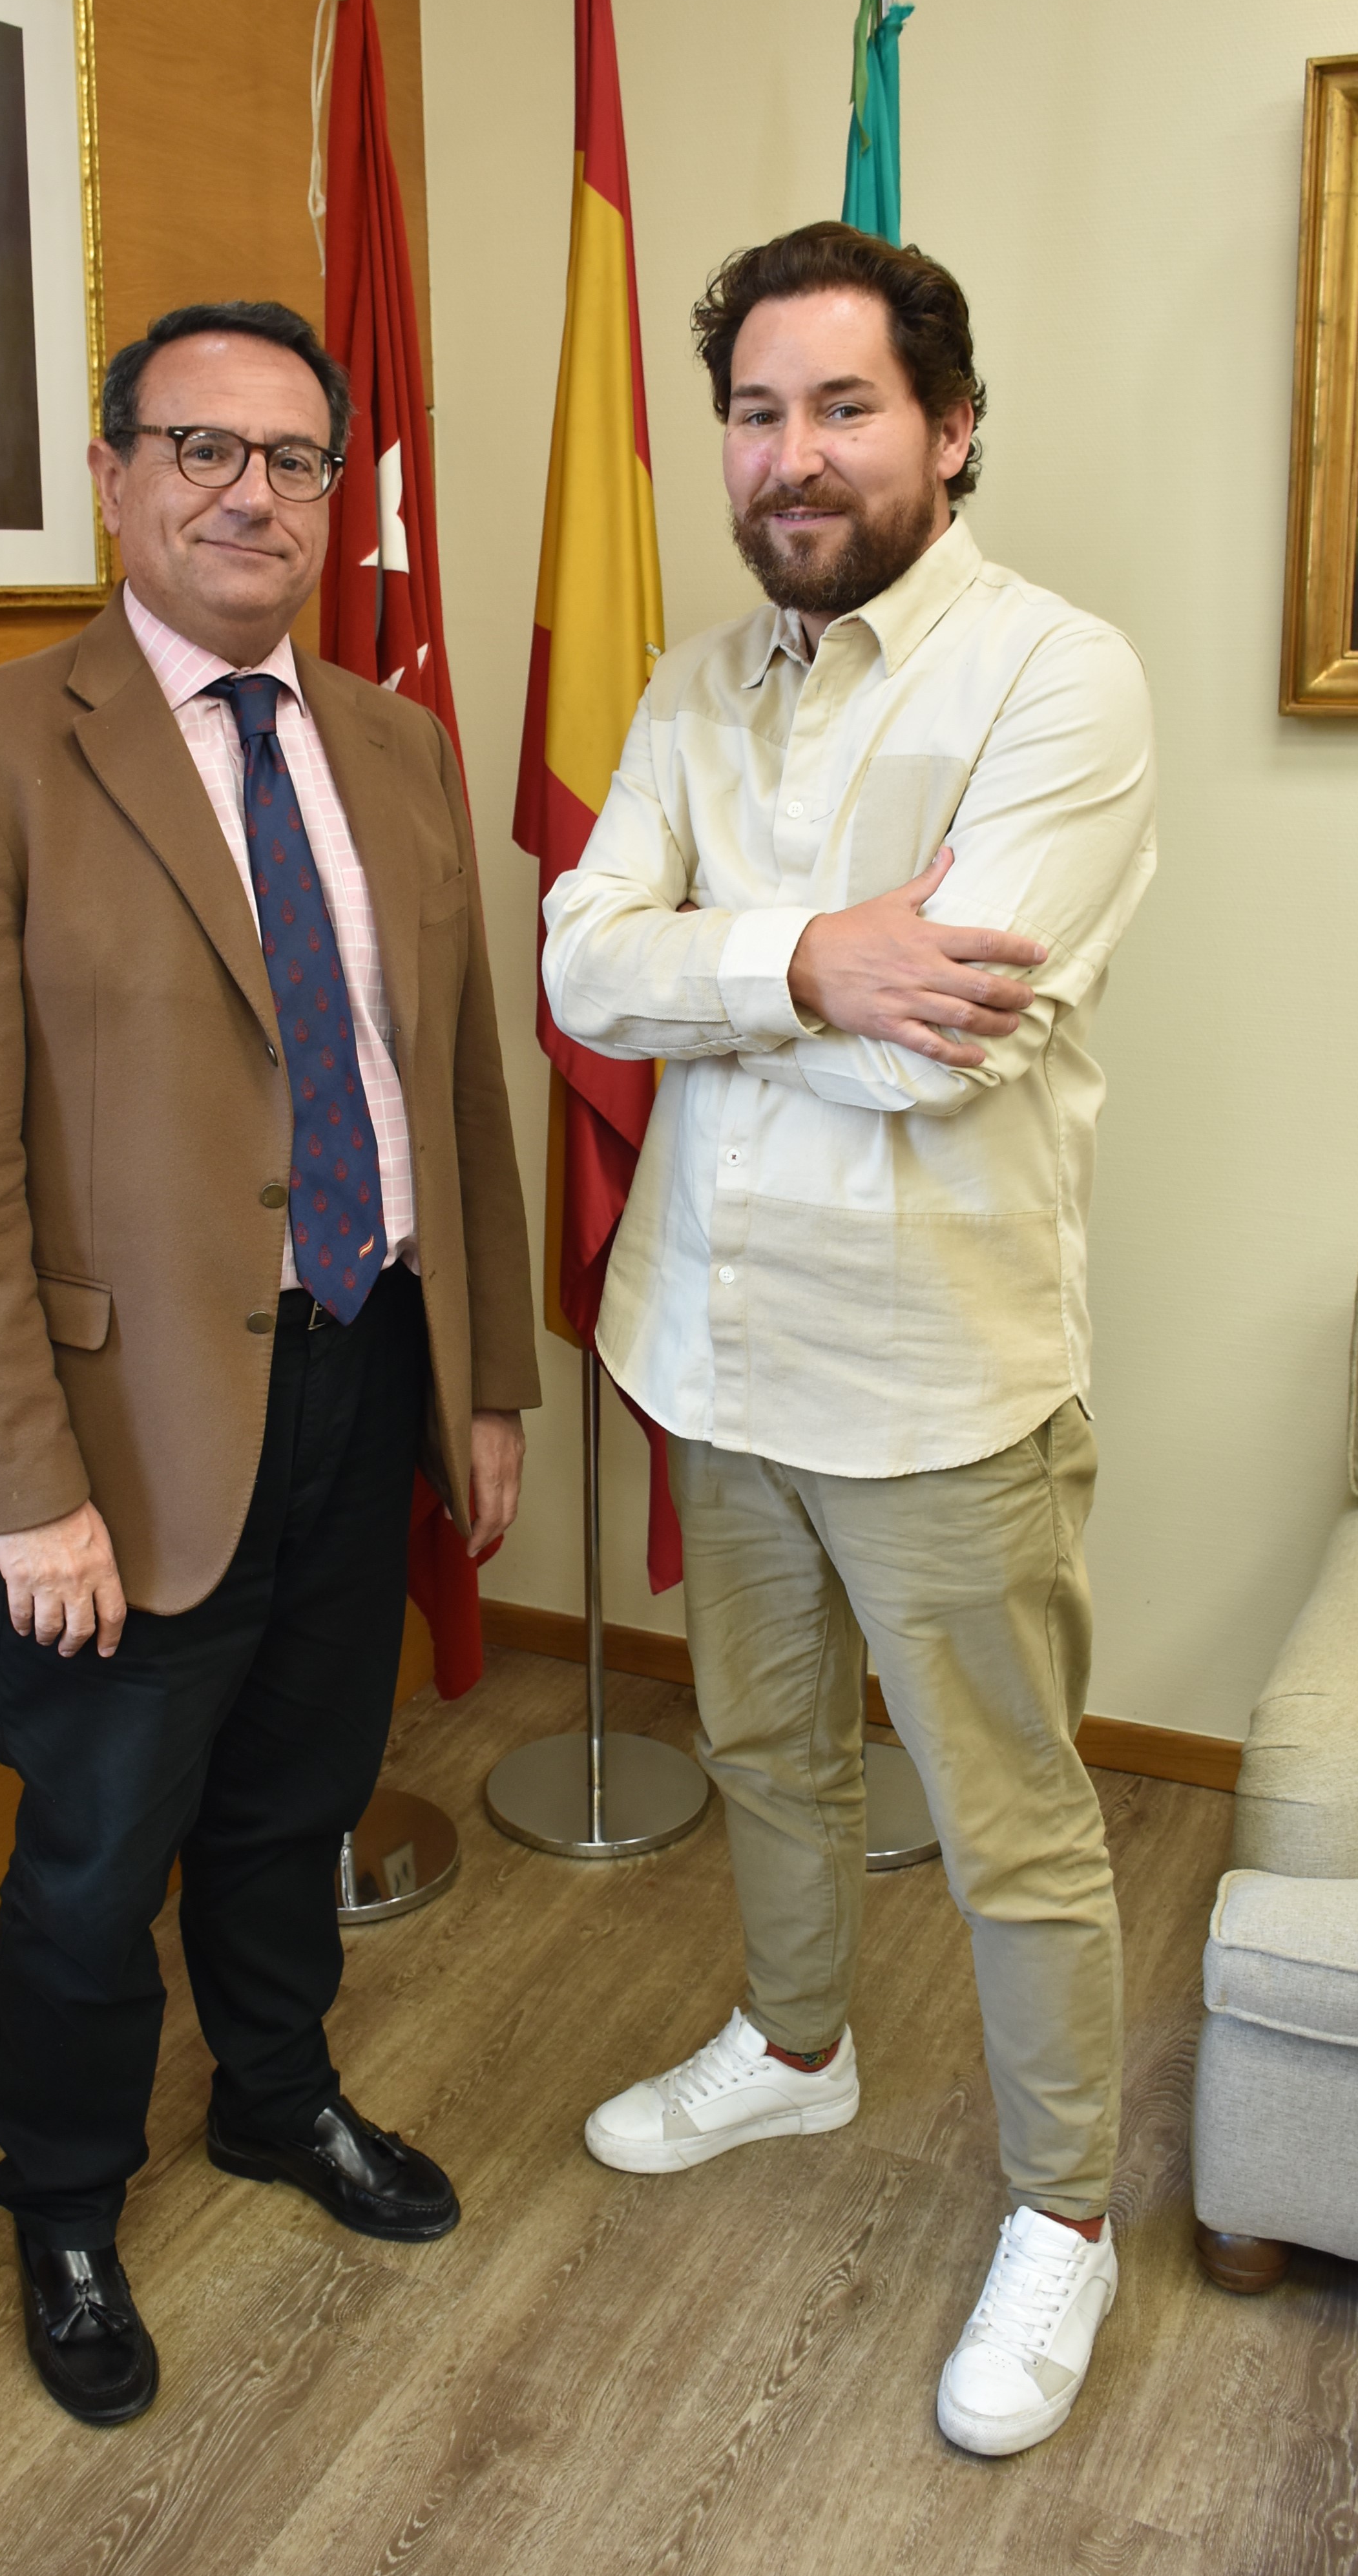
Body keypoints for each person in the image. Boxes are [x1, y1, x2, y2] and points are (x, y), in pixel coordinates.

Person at [0, 298, 538, 2425]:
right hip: (123, 1436)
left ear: (334, 494)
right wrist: (17, 1486)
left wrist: (484, 1378)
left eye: (292, 457)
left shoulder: (394, 745)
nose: (251, 492)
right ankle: (61, 2198)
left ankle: (271, 2092)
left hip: (364, 1359)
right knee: (91, 1851)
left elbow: (456, 1089)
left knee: (296, 1795)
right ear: (115, 478)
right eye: (201, 448)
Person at [542, 222, 1156, 2458]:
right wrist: (810, 957)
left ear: (948, 429)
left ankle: (1061, 2213)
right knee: (762, 1745)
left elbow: (928, 1049)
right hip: (704, 1341)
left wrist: (713, 968)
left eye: (840, 405)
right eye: (752, 410)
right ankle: (794, 2047)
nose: (786, 454)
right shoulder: (690, 683)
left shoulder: (1054, 678)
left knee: (1006, 1822)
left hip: (932, 1378)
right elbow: (575, 964)